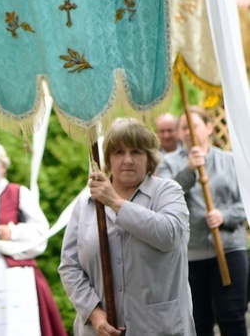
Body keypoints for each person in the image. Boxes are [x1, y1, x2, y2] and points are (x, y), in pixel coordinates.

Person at [59, 118, 195, 335]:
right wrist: (95, 313)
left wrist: (115, 203)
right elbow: (70, 266)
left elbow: (169, 234)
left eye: (136, 152)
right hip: (99, 330)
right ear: (108, 159)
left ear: (149, 158)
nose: (128, 160)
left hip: (160, 328)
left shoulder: (168, 192)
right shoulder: (86, 205)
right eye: (119, 152)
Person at [156, 107, 248, 336]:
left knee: (232, 318)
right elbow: (165, 198)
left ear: (208, 127)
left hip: (229, 251)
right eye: (183, 128)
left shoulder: (230, 160)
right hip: (191, 256)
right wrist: (189, 170)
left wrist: (224, 216)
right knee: (198, 323)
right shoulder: (168, 164)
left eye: (193, 126)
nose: (188, 132)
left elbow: (245, 203)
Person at [0, 144, 66, 336]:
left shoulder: (19, 192)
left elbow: (40, 233)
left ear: (3, 166)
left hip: (15, 278)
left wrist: (11, 232)